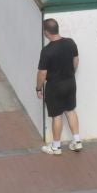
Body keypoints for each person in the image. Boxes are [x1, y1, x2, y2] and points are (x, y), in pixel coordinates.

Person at [36, 18, 83, 154]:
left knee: (57, 116)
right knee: (70, 110)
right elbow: (76, 60)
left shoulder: (47, 51)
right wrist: (70, 73)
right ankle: (77, 141)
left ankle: (56, 146)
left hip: (54, 86)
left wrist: (38, 88)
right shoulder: (70, 42)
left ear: (46, 32)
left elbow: (42, 73)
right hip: (70, 82)